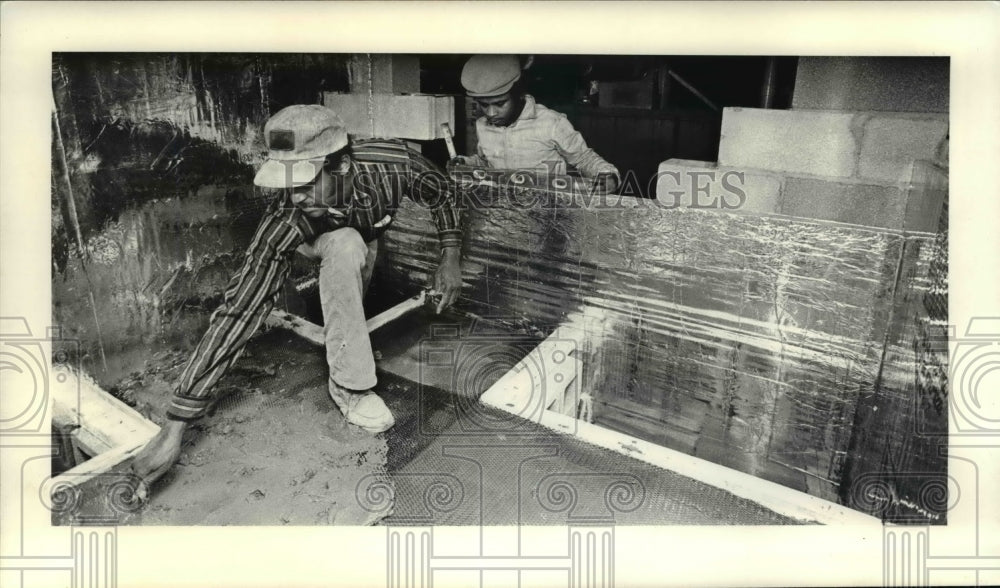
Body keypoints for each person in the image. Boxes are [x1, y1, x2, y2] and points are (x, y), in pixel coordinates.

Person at [131, 104, 463, 493]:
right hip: (330, 238)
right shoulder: (290, 215)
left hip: (367, 227)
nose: (296, 196)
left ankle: (345, 336)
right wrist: (175, 425)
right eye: (287, 183)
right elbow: (241, 310)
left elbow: (441, 192)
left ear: (340, 166)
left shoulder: (392, 163)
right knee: (345, 245)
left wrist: (451, 255)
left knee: (358, 255)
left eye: (305, 182)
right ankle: (350, 386)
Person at [458, 54, 619, 193]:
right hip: (504, 211)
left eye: (500, 104)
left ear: (518, 94)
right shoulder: (482, 126)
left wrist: (607, 175)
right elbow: (487, 161)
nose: (491, 113)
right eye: (484, 105)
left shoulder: (551, 123)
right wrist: (466, 163)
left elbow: (583, 159)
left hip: (550, 212)